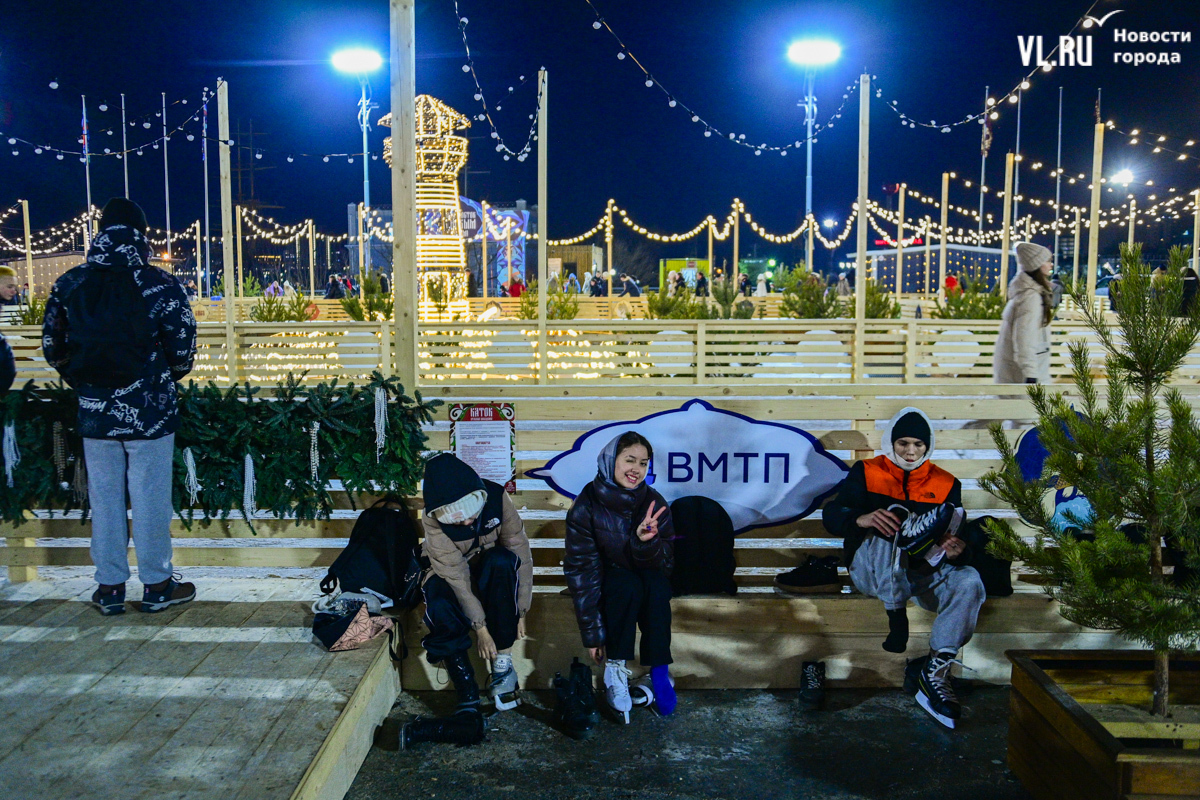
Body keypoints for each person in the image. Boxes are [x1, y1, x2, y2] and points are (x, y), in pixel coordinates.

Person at [41, 198, 197, 617]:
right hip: (150, 411)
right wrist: (159, 378)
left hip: (95, 411)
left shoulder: (71, 282)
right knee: (150, 499)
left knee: (105, 499)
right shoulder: (160, 284)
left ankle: (109, 587)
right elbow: (182, 346)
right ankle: (157, 585)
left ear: (102, 233)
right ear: (141, 235)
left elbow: (53, 345)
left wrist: (85, 383)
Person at [822, 407, 990, 729]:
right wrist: (862, 518)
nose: (911, 451)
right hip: (872, 571)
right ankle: (895, 615)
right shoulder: (867, 471)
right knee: (894, 526)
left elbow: (956, 531)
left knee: (969, 579)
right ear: (891, 442)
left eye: (918, 444)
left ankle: (935, 671)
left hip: (920, 573)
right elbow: (832, 515)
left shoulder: (946, 482)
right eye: (903, 443)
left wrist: (958, 552)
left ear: (928, 446)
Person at [564, 431, 676, 722]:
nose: (636, 469)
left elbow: (666, 565)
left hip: (645, 578)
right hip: (607, 581)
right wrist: (593, 636)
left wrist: (647, 542)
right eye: (629, 460)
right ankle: (615, 668)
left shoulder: (654, 503)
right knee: (626, 585)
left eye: (643, 463)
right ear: (610, 461)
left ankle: (659, 670)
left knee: (657, 586)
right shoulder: (587, 504)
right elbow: (582, 569)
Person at [420, 453, 533, 713]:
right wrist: (480, 629)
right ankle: (466, 689)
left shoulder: (496, 497)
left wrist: (520, 611)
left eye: (470, 515)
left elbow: (520, 555)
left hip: (488, 570)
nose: (466, 523)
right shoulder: (432, 518)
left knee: (502, 560)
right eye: (457, 521)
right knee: (438, 601)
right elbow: (457, 577)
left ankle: (503, 664)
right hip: (448, 574)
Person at [994, 242, 1053, 385]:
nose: (1050, 265)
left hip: (1022, 370)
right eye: (1047, 261)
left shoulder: (1026, 293)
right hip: (1024, 375)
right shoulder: (1030, 298)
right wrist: (1031, 374)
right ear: (1037, 265)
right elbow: (1025, 337)